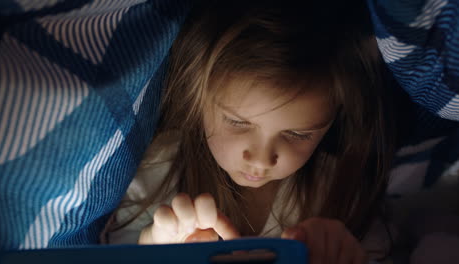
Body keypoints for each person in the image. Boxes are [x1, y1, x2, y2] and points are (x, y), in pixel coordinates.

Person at [102, 0, 396, 263]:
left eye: (297, 135)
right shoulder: (155, 170)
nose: (261, 158)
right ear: (198, 99)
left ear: (332, 121)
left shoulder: (342, 191)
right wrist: (156, 250)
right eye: (238, 123)